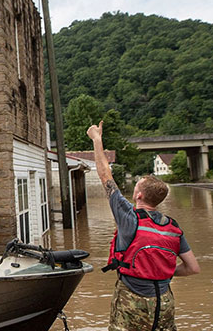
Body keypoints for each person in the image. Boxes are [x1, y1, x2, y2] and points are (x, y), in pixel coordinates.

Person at [86, 120, 200, 331]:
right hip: (164, 301)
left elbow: (105, 176)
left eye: (136, 185)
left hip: (132, 300)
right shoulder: (173, 227)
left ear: (138, 195)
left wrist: (97, 139)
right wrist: (163, 271)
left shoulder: (128, 218)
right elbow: (193, 268)